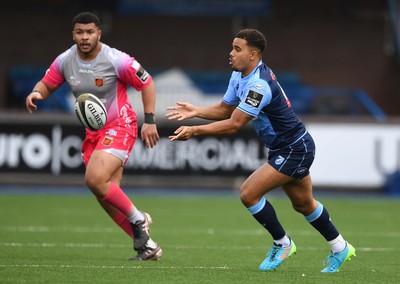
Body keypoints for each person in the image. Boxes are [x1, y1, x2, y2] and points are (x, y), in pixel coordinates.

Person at [166, 29, 355, 272]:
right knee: (304, 204)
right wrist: (197, 111)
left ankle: (283, 243)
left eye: (237, 49)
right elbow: (226, 109)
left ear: (253, 54)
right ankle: (340, 247)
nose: (231, 53)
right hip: (286, 146)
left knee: (248, 193)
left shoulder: (259, 86)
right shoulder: (240, 75)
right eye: (232, 47)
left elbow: (234, 124)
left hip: (294, 148)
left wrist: (196, 131)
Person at [25, 12, 162, 261]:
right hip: (94, 133)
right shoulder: (66, 60)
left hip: (121, 125)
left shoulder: (116, 59)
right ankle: (148, 247)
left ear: (99, 33)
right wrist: (36, 93)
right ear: (73, 34)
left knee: (95, 179)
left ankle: (139, 219)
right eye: (80, 32)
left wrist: (150, 121)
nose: (85, 37)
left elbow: (147, 83)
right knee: (106, 193)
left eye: (90, 32)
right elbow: (47, 83)